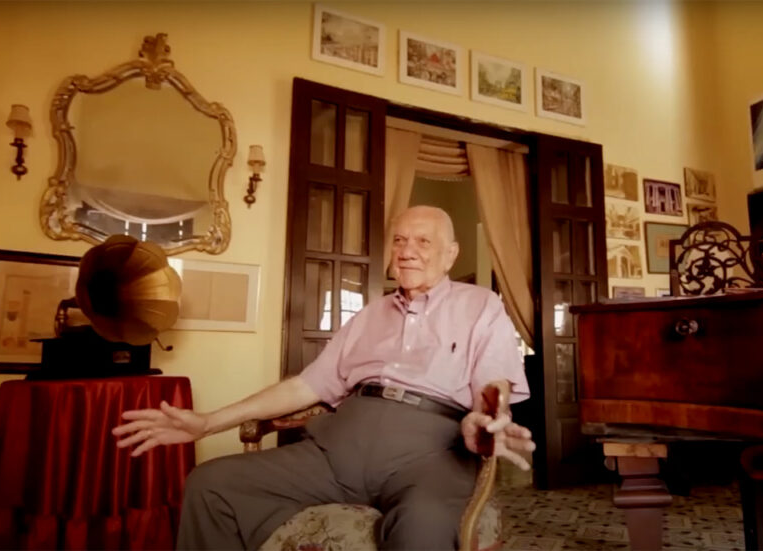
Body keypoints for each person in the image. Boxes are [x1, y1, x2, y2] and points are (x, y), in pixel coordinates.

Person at [112, 205, 535, 550]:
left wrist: (484, 418)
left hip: (431, 453)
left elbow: (493, 384)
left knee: (423, 523)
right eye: (399, 240)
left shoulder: (480, 305)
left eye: (423, 241)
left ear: (451, 254)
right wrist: (208, 422)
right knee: (211, 484)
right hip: (338, 448)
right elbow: (306, 385)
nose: (407, 251)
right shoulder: (369, 315)